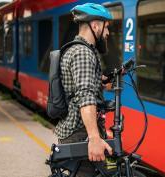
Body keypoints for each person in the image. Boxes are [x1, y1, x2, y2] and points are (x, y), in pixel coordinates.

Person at [54, 3, 113, 176]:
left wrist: (101, 80)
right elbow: (86, 96)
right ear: (95, 25)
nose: (108, 33)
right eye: (106, 27)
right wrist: (94, 139)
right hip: (80, 134)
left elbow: (79, 83)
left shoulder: (81, 50)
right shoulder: (82, 53)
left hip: (78, 132)